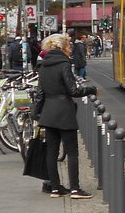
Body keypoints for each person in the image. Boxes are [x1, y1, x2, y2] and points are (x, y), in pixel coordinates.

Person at [36, 33, 98, 198]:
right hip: (64, 111)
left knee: (52, 152)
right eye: (69, 47)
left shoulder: (43, 65)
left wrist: (37, 113)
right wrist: (91, 89)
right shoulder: (64, 64)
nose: (71, 50)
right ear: (62, 48)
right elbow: (74, 90)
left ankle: (55, 188)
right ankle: (75, 189)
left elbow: (40, 92)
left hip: (48, 112)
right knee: (72, 151)